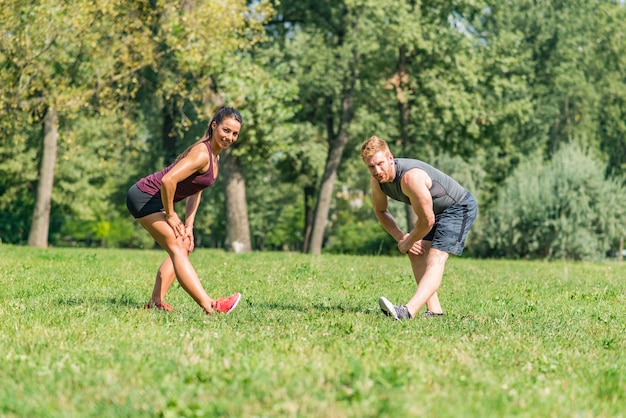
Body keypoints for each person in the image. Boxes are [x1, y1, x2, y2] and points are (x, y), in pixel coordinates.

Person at [126, 107, 243, 314]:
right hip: (143, 197)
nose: (230, 137)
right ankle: (210, 305)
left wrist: (189, 225)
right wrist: (171, 215)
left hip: (154, 199)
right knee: (177, 247)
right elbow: (168, 180)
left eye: (234, 133)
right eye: (226, 130)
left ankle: (156, 302)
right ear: (214, 126)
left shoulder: (215, 157)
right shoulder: (202, 154)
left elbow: (196, 190)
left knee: (184, 245)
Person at [360, 135, 478, 320]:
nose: (377, 170)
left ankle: (406, 312)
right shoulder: (377, 182)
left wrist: (409, 239)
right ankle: (435, 312)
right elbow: (381, 211)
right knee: (415, 252)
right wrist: (401, 237)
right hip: (433, 212)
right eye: (371, 167)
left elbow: (427, 221)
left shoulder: (410, 178)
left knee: (435, 258)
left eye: (380, 163)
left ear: (390, 158)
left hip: (458, 207)